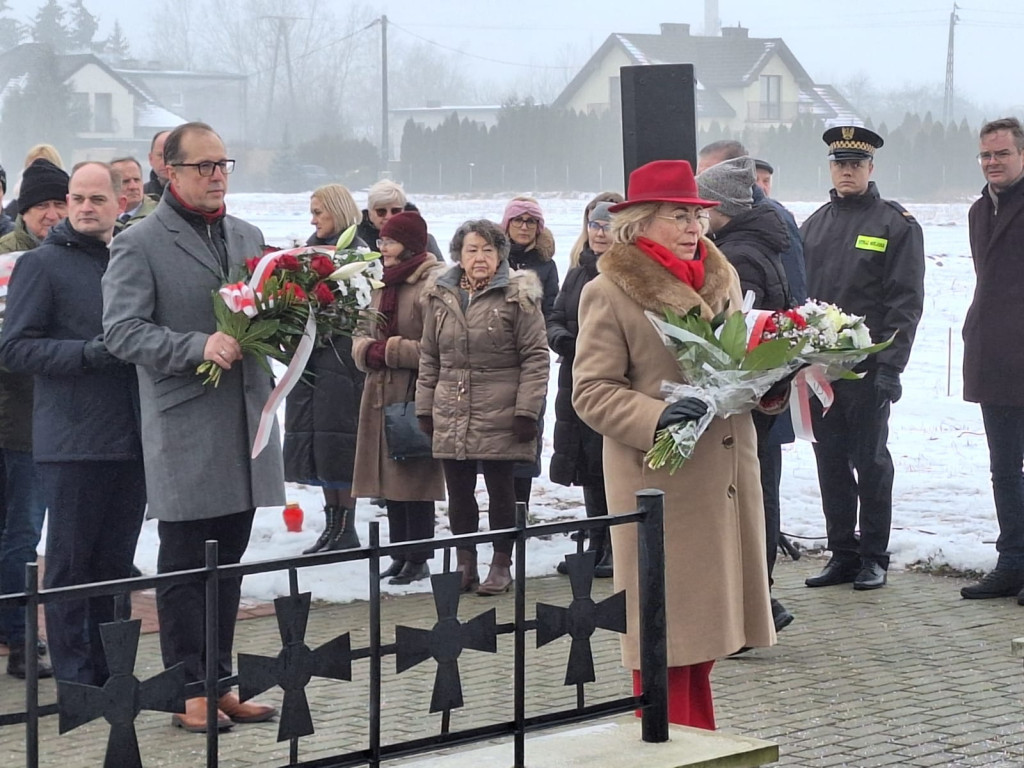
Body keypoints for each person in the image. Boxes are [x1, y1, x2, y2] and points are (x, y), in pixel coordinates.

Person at [572, 159, 779, 729]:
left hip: (724, 475)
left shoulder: (723, 275)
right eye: (677, 215)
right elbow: (591, 392)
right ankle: (665, 738)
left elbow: (737, 365)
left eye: (697, 214)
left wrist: (771, 382)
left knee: (709, 631)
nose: (693, 226)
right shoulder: (607, 291)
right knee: (661, 635)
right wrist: (660, 417)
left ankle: (698, 735)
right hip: (659, 483)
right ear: (640, 222)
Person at [102, 121, 281, 733]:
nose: (215, 176)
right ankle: (187, 691)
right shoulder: (139, 243)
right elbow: (122, 331)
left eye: (222, 164)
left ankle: (222, 682)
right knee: (185, 563)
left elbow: (267, 310)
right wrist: (194, 345)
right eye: (202, 166)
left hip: (245, 420)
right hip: (185, 424)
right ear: (169, 173)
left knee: (228, 561)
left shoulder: (249, 236)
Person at [0, 161, 145, 686]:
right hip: (73, 439)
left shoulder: (132, 257)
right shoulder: (42, 265)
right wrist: (87, 354)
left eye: (95, 199)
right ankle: (76, 679)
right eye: (76, 198)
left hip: (133, 437)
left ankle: (111, 675)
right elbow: (15, 347)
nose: (84, 208)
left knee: (116, 565)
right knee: (69, 565)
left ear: (119, 204)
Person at [801, 126, 925, 591]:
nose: (846, 171)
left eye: (855, 163)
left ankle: (874, 554)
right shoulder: (812, 225)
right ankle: (842, 553)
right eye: (839, 163)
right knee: (829, 462)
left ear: (871, 168)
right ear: (830, 167)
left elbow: (905, 302)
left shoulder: (895, 224)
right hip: (818, 372)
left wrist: (891, 367)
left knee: (869, 463)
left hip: (868, 370)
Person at [417, 219, 548, 596]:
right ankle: (465, 564)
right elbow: (429, 356)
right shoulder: (441, 296)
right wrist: (425, 407)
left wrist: (527, 412)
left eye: (488, 250)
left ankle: (501, 564)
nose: (479, 258)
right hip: (452, 407)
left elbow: (536, 357)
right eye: (472, 250)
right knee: (458, 490)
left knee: (500, 488)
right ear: (458, 254)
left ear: (500, 256)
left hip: (500, 409)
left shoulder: (517, 296)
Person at [697, 155, 795, 634]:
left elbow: (739, 332)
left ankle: (756, 604)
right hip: (765, 390)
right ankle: (759, 601)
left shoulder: (736, 255)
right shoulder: (763, 241)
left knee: (746, 499)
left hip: (744, 396)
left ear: (722, 207)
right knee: (759, 492)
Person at [0, 159, 67, 680]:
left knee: (23, 531)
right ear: (24, 212)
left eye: (58, 203)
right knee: (20, 532)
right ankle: (21, 637)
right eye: (41, 205)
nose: (51, 213)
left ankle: (17, 630)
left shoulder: (75, 256)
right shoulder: (8, 261)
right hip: (16, 416)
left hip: (51, 418)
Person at [352, 211, 445, 585]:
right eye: (380, 241)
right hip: (378, 391)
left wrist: (387, 351)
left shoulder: (432, 284)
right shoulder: (381, 281)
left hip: (412, 393)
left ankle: (419, 556)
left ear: (408, 243)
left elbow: (436, 348)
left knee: (413, 478)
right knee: (389, 482)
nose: (382, 248)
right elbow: (361, 329)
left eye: (388, 241)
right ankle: (399, 552)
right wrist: (363, 351)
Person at [960, 118, 1024, 601]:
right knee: (1003, 467)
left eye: (1001, 154)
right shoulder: (980, 211)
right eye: (986, 155)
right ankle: (1012, 562)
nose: (992, 163)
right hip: (994, 356)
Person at [284, 183, 366, 554]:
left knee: (338, 444)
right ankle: (333, 524)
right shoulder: (309, 250)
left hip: (341, 360)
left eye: (319, 211)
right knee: (319, 444)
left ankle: (346, 526)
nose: (314, 218)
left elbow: (360, 308)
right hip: (313, 358)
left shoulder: (357, 255)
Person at [549, 197, 620, 579]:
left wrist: (592, 348)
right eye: (594, 225)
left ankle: (615, 545)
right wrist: (562, 339)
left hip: (609, 379)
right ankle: (596, 542)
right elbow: (556, 315)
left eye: (607, 226)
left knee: (609, 463)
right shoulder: (579, 271)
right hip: (574, 377)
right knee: (588, 468)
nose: (599, 232)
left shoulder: (625, 273)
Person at [501, 196, 558, 512]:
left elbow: (552, 308)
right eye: (519, 220)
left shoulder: (546, 266)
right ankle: (501, 507)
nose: (524, 227)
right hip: (494, 358)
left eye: (531, 221)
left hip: (529, 360)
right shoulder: (493, 257)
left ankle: (519, 508)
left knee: (526, 431)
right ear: (507, 224)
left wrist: (549, 338)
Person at [356, 179, 443, 260]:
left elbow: (441, 272)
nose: (389, 217)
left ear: (403, 211)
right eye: (381, 211)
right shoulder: (357, 244)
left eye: (395, 211)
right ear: (370, 213)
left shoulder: (426, 242)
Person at [111, 157, 157, 229]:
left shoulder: (159, 214)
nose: (133, 187)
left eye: (137, 180)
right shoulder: (101, 217)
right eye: (125, 182)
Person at [144, 130, 171, 200]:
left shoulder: (194, 194)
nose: (165, 162)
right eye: (160, 155)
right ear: (151, 158)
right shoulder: (141, 197)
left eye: (170, 155)